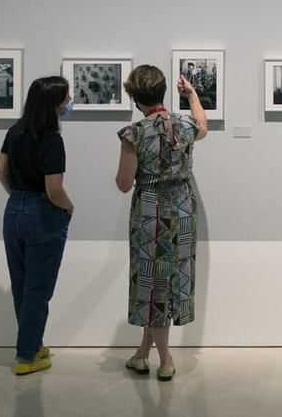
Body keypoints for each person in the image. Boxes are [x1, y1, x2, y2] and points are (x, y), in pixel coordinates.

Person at [115, 65, 207, 382]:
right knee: (170, 279)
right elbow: (204, 127)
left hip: (151, 212)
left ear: (135, 97)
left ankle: (165, 359)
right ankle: (142, 353)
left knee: (153, 284)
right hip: (183, 209)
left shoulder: (135, 133)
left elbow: (124, 183)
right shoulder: (184, 125)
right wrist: (192, 95)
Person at [0, 76, 74, 376]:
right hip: (42, 215)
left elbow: (0, 170)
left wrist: (17, 198)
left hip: (13, 210)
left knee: (22, 286)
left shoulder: (15, 131)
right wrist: (69, 207)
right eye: (66, 99)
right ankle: (27, 356)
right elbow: (54, 189)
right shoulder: (53, 140)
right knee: (39, 290)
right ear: (53, 104)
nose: (69, 103)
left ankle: (32, 343)